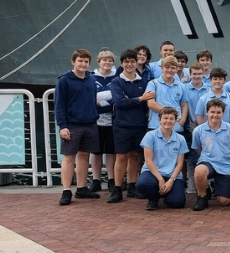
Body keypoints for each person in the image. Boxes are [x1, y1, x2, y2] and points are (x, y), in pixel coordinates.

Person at [55, 49, 100, 206]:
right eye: (80, 61)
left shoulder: (91, 79)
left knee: (84, 155)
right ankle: (66, 190)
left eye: (86, 61)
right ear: (73, 62)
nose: (83, 64)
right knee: (69, 156)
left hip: (90, 123)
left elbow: (92, 99)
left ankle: (81, 188)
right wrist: (62, 126)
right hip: (72, 124)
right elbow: (59, 105)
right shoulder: (64, 81)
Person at [109, 49, 155, 203]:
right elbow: (120, 102)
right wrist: (140, 98)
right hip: (122, 124)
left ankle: (132, 186)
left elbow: (145, 103)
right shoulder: (116, 82)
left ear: (136, 63)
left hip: (139, 123)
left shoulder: (143, 82)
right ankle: (117, 188)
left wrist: (131, 99)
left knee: (135, 155)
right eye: (126, 61)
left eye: (132, 61)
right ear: (122, 63)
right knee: (121, 156)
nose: (129, 64)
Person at [191, 99, 230, 211]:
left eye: (219, 112)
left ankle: (215, 187)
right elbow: (198, 148)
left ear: (223, 113)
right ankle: (202, 196)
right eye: (212, 112)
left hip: (226, 165)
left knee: (225, 202)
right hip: (208, 162)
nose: (215, 115)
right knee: (199, 170)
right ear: (207, 112)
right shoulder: (198, 130)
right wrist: (206, 156)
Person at [136, 107, 189, 210]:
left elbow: (180, 164)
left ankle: (166, 194)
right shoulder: (150, 136)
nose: (168, 121)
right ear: (159, 120)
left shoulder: (180, 139)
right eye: (165, 118)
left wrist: (171, 180)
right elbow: (148, 160)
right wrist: (160, 179)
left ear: (175, 121)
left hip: (172, 175)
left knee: (177, 202)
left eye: (171, 119)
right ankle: (154, 198)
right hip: (152, 173)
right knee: (142, 184)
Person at [90, 50, 117, 193]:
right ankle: (96, 180)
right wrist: (98, 103)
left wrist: (105, 102)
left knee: (111, 151)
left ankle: (111, 179)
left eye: (110, 60)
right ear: (98, 62)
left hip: (112, 119)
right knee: (97, 152)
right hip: (97, 120)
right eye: (104, 60)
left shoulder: (116, 77)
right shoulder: (91, 77)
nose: (107, 62)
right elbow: (89, 97)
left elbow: (118, 96)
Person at [182, 62, 209, 193]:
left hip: (208, 127)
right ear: (190, 74)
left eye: (199, 74)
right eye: (194, 74)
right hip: (190, 127)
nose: (197, 76)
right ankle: (192, 185)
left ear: (203, 74)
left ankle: (208, 184)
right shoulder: (184, 89)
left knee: (207, 154)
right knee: (192, 157)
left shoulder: (209, 89)